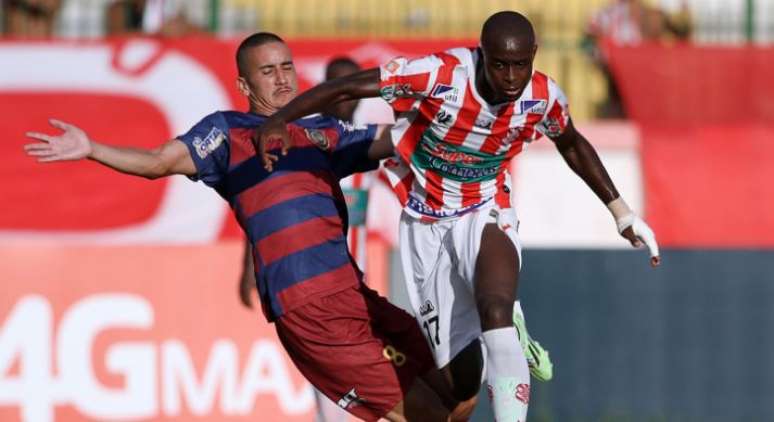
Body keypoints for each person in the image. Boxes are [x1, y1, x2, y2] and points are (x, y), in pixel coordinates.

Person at [24, 32, 473, 422]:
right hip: (310, 309)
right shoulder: (227, 134)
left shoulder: (323, 132)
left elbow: (394, 139)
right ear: (243, 84)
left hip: (357, 297)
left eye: (287, 67)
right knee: (428, 415)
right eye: (267, 71)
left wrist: (463, 113)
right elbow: (157, 161)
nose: (282, 79)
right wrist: (92, 148)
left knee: (459, 392)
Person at [254, 11, 661, 421]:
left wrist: (621, 212)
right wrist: (278, 121)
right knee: (462, 383)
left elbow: (571, 143)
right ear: (482, 55)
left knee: (495, 308)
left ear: (534, 56)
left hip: (486, 209)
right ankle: (501, 331)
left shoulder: (543, 96)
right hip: (426, 223)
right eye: (500, 64)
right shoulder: (440, 75)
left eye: (521, 64)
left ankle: (505, 321)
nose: (511, 77)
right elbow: (347, 86)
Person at [239, 55, 373, 422]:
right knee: (332, 373)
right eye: (337, 86)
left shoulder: (366, 141)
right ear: (324, 89)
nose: (345, 96)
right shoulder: (303, 139)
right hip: (312, 278)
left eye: (352, 87)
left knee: (359, 370)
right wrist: (247, 264)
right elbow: (263, 200)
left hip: (356, 276)